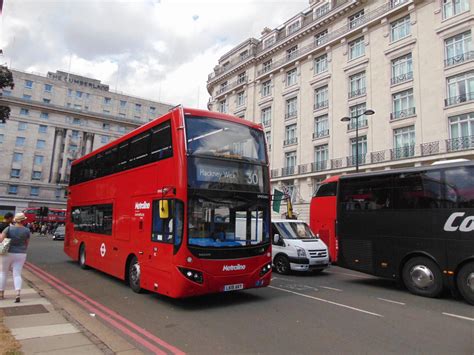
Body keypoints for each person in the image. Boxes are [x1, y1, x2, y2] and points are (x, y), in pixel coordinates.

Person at [0, 213, 31, 303]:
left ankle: (1, 294)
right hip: (21, 254)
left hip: (7, 253)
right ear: (23, 220)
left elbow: (1, 240)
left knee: (3, 273)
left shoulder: (8, 228)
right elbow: (26, 243)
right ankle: (17, 293)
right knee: (17, 274)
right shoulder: (27, 230)